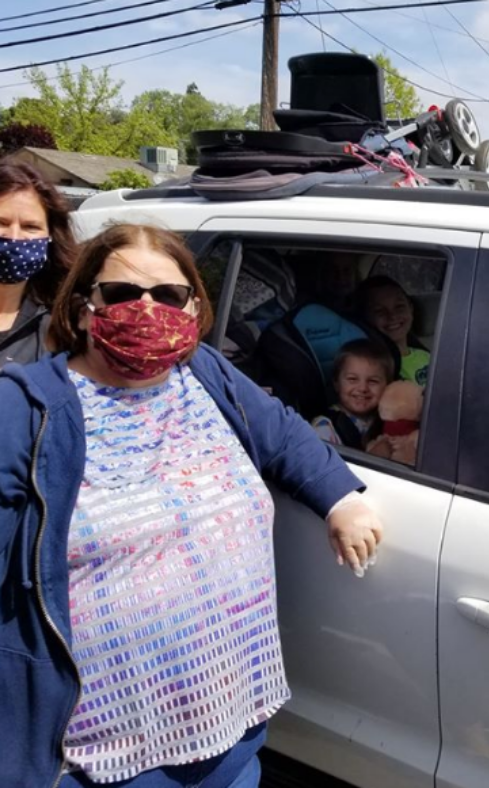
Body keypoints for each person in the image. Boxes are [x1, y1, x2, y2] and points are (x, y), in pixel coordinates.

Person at [0, 224, 383, 788]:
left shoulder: (202, 373)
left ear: (192, 306)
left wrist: (342, 499)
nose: (147, 309)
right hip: (104, 761)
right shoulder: (25, 406)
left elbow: (282, 434)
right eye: (123, 294)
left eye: (169, 295)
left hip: (233, 736)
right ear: (84, 308)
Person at [0, 159, 76, 366]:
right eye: (2, 223)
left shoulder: (62, 323)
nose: (14, 237)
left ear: (51, 235)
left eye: (30, 227)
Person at [312, 337, 393, 449]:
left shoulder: (388, 421)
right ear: (336, 383)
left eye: (373, 381)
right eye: (352, 379)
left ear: (388, 385)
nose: (363, 388)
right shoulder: (325, 427)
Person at [355, 275, 430, 386]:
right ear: (366, 318)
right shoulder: (374, 368)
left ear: (411, 308)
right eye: (379, 311)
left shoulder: (427, 356)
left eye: (399, 306)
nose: (392, 316)